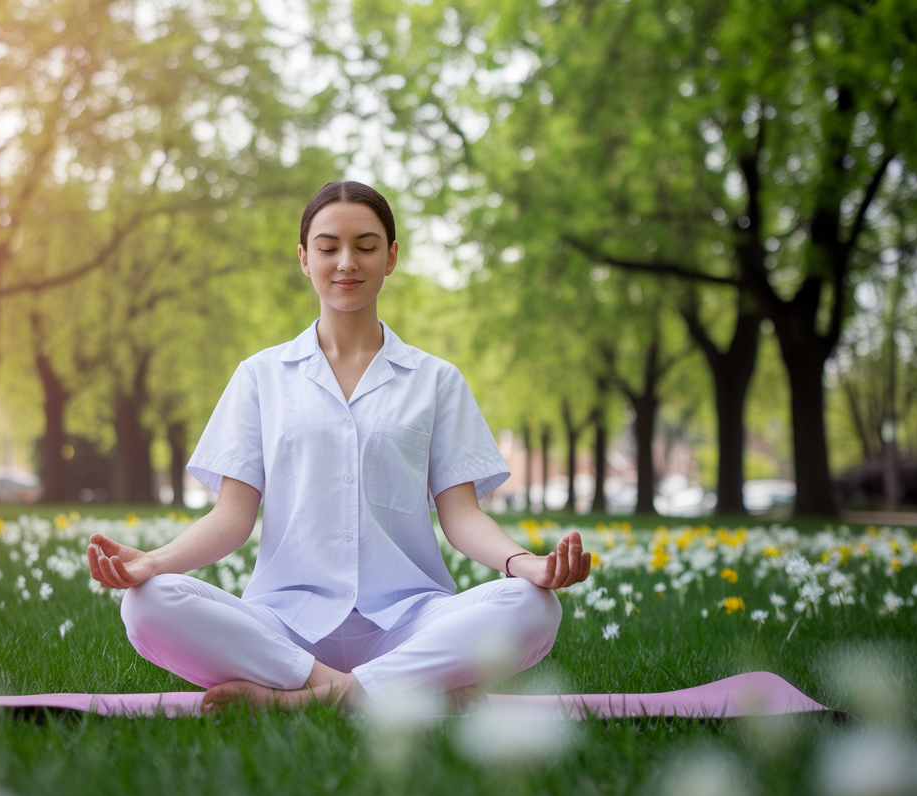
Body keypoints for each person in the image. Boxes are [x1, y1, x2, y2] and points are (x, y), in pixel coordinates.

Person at [87, 181, 591, 714]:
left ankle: (315, 701)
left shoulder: (436, 380)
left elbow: (461, 517)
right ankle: (383, 691)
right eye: (328, 248)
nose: (346, 262)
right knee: (148, 604)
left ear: (391, 257)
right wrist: (153, 563)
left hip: (410, 623)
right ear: (305, 259)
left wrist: (523, 564)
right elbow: (232, 518)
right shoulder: (260, 376)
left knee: (533, 607)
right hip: (283, 629)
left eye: (366, 246)